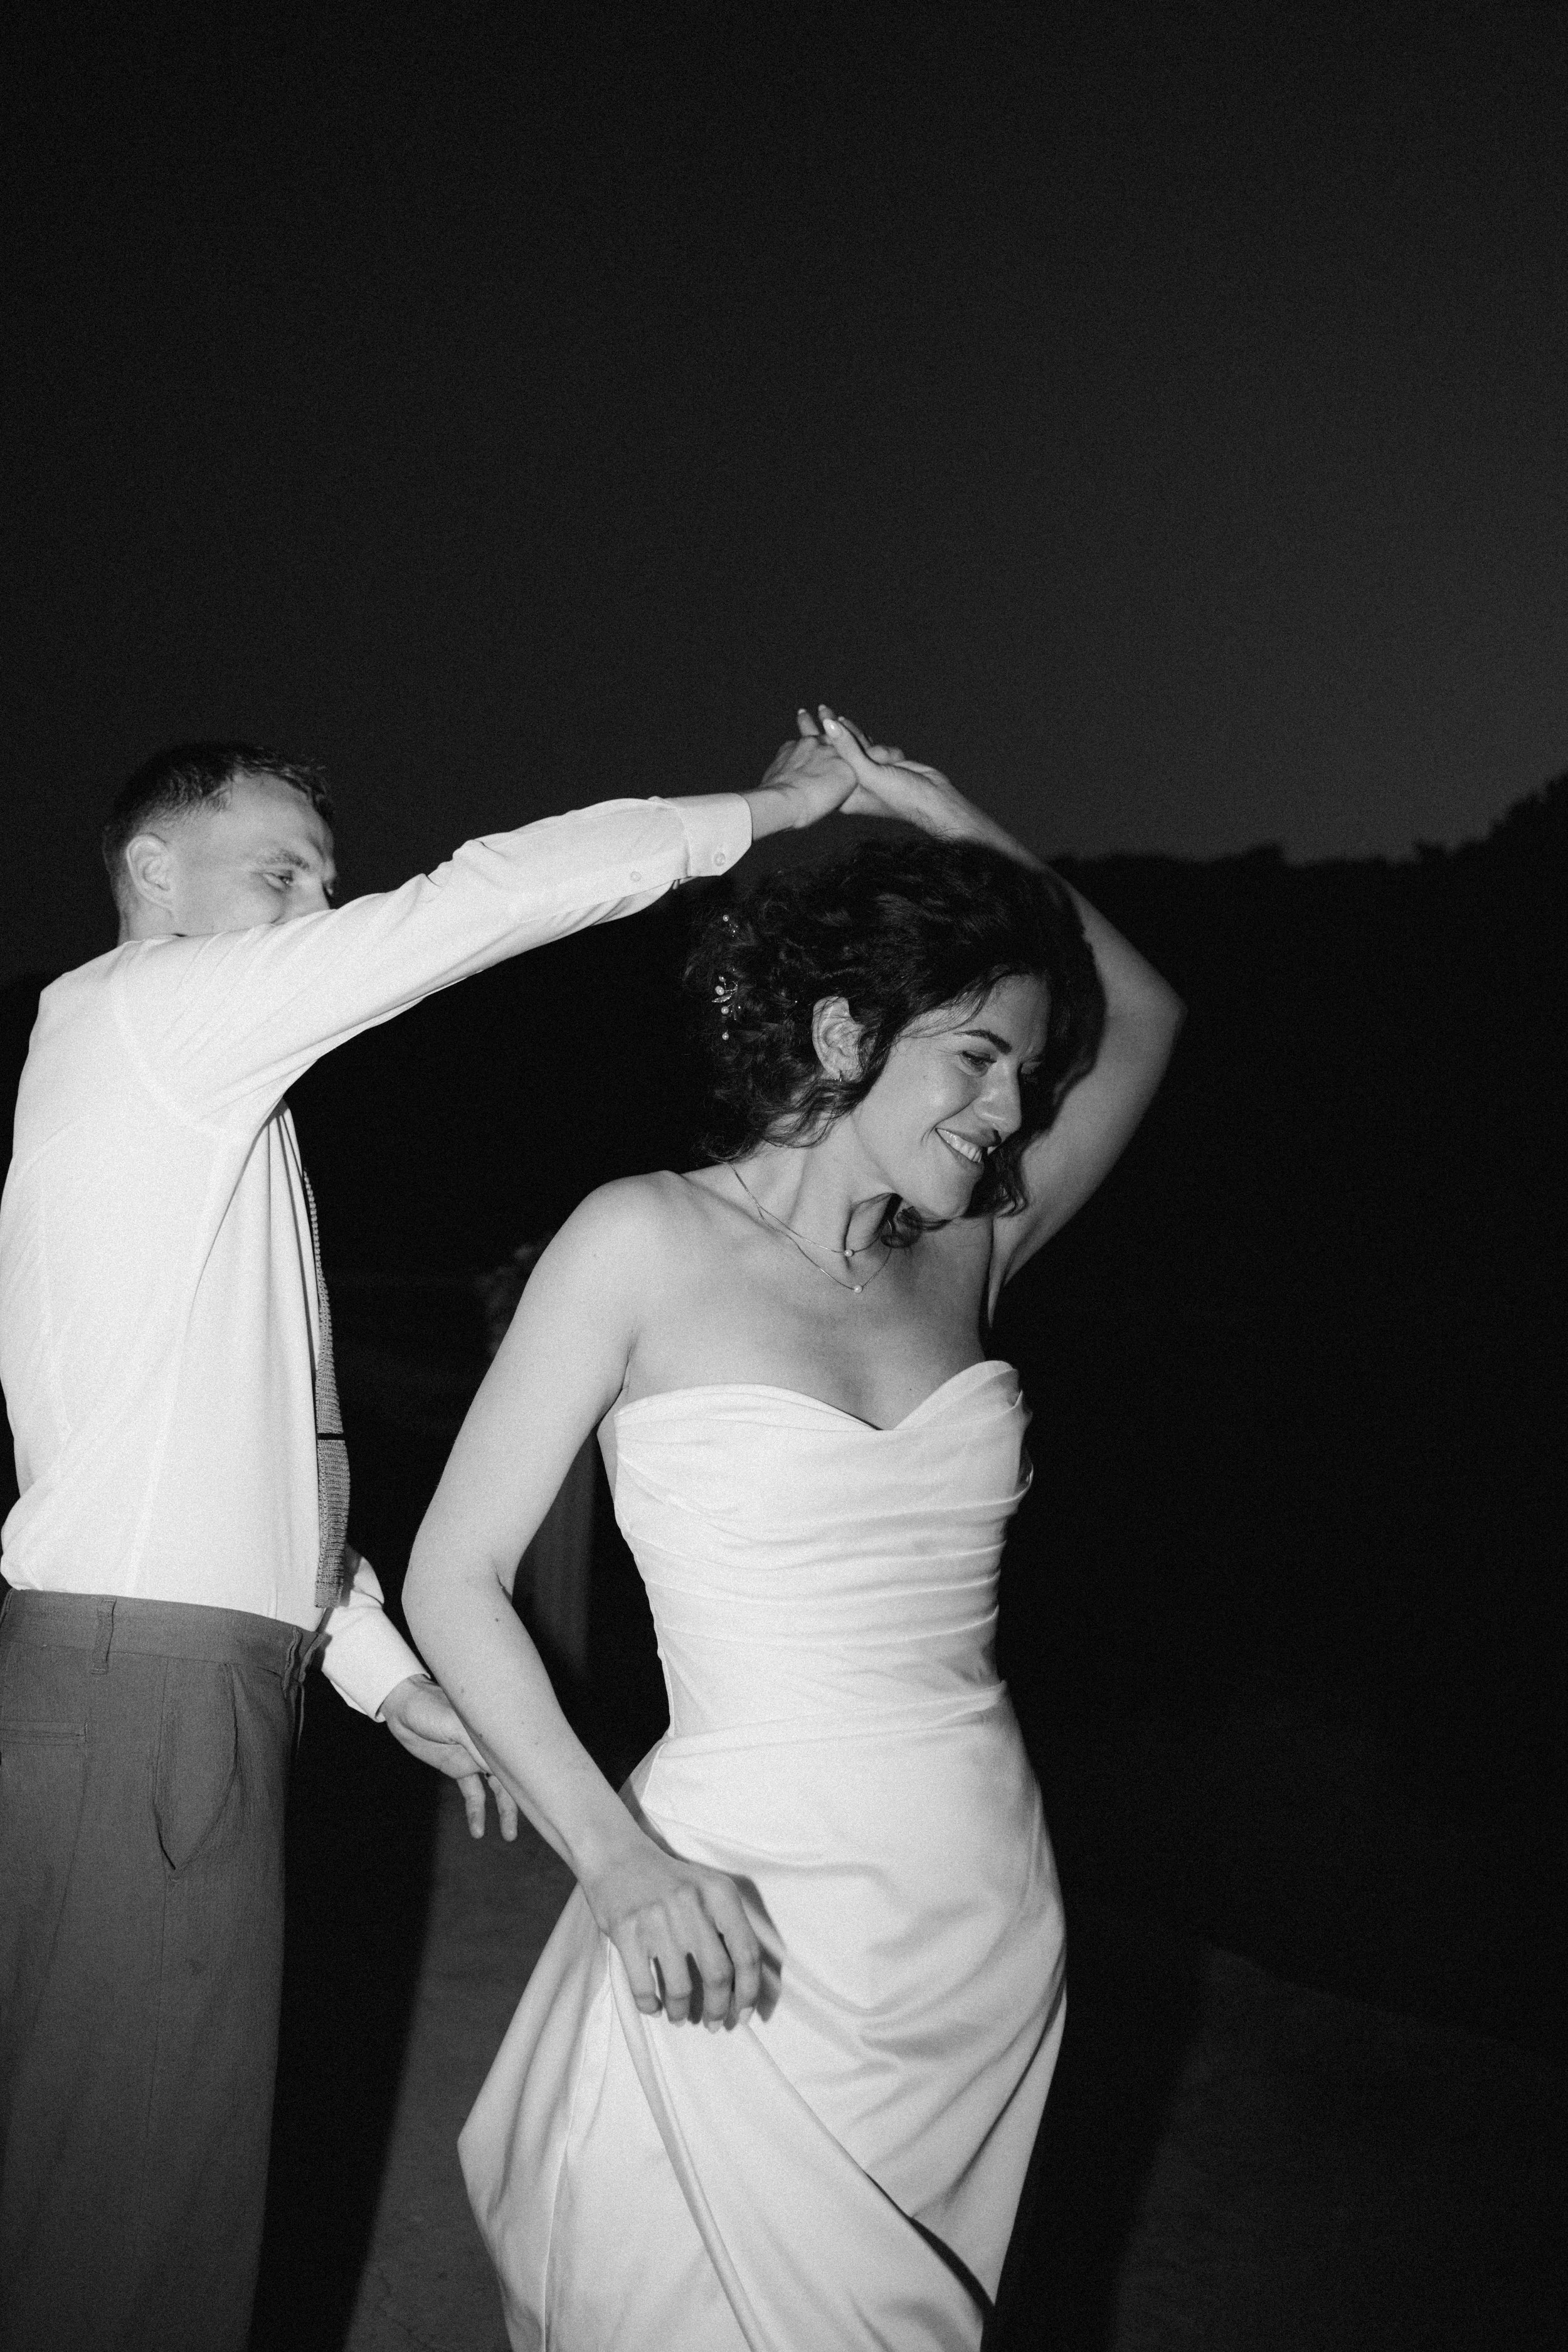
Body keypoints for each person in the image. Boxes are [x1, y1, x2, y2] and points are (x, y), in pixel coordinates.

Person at [0, 726, 866, 2352]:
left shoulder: (205, 1117)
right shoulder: (144, 1019)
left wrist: (388, 1675)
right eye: (283, 875)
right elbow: (478, 900)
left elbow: (260, 1453)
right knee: (136, 2226)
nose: (326, 905)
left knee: (113, 2193)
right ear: (155, 880)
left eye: (331, 878)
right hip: (143, 1694)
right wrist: (762, 814)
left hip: (166, 1670)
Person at [403, 710, 1185, 2351]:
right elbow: (453, 1579)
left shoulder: (967, 1254)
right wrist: (616, 1864)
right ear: (843, 1032)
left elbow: (1148, 1019)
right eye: (973, 1055)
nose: (1005, 1106)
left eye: (1022, 1073)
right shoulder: (641, 1237)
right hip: (728, 1910)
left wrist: (958, 816)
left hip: (971, 1911)